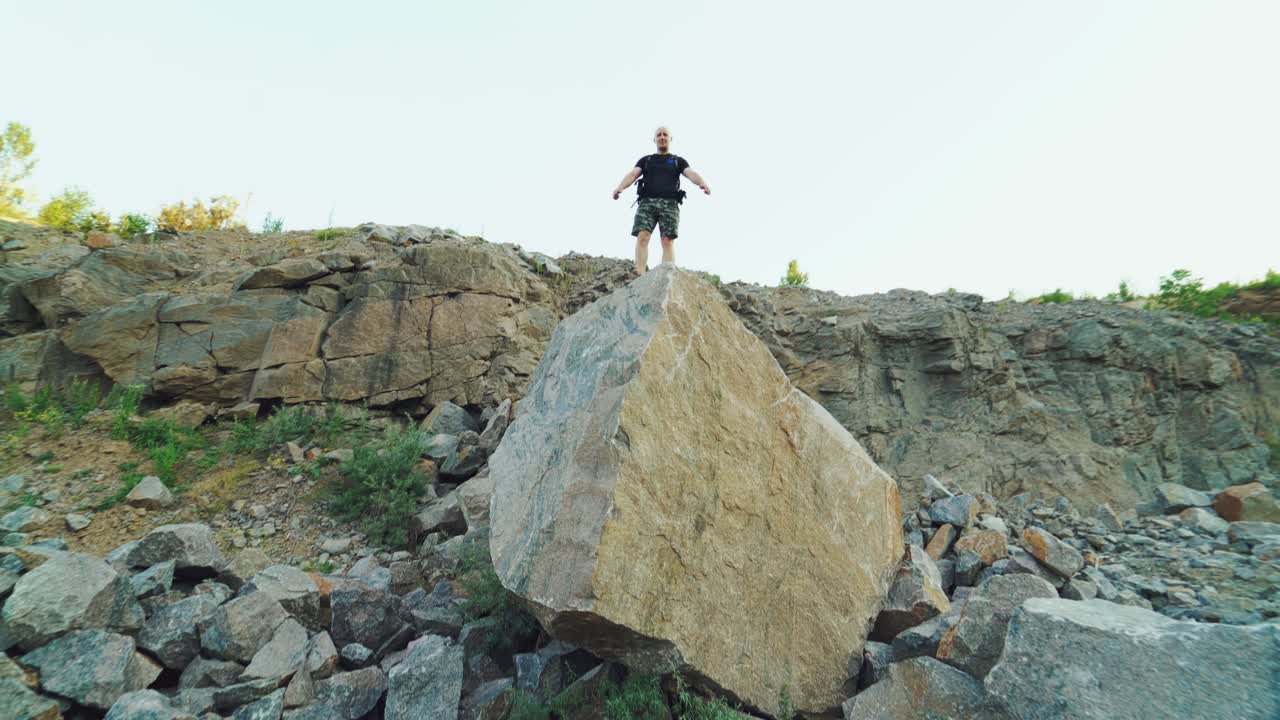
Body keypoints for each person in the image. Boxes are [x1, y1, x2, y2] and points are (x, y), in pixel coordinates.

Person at [612, 126, 710, 275]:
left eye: (665, 135)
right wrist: (620, 187)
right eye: (659, 135)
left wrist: (702, 183)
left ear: (670, 139)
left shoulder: (677, 161)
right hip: (647, 203)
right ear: (654, 139)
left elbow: (691, 173)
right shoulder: (646, 160)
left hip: (670, 203)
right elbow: (633, 175)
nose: (662, 137)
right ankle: (639, 274)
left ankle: (666, 275)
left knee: (667, 240)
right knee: (643, 236)